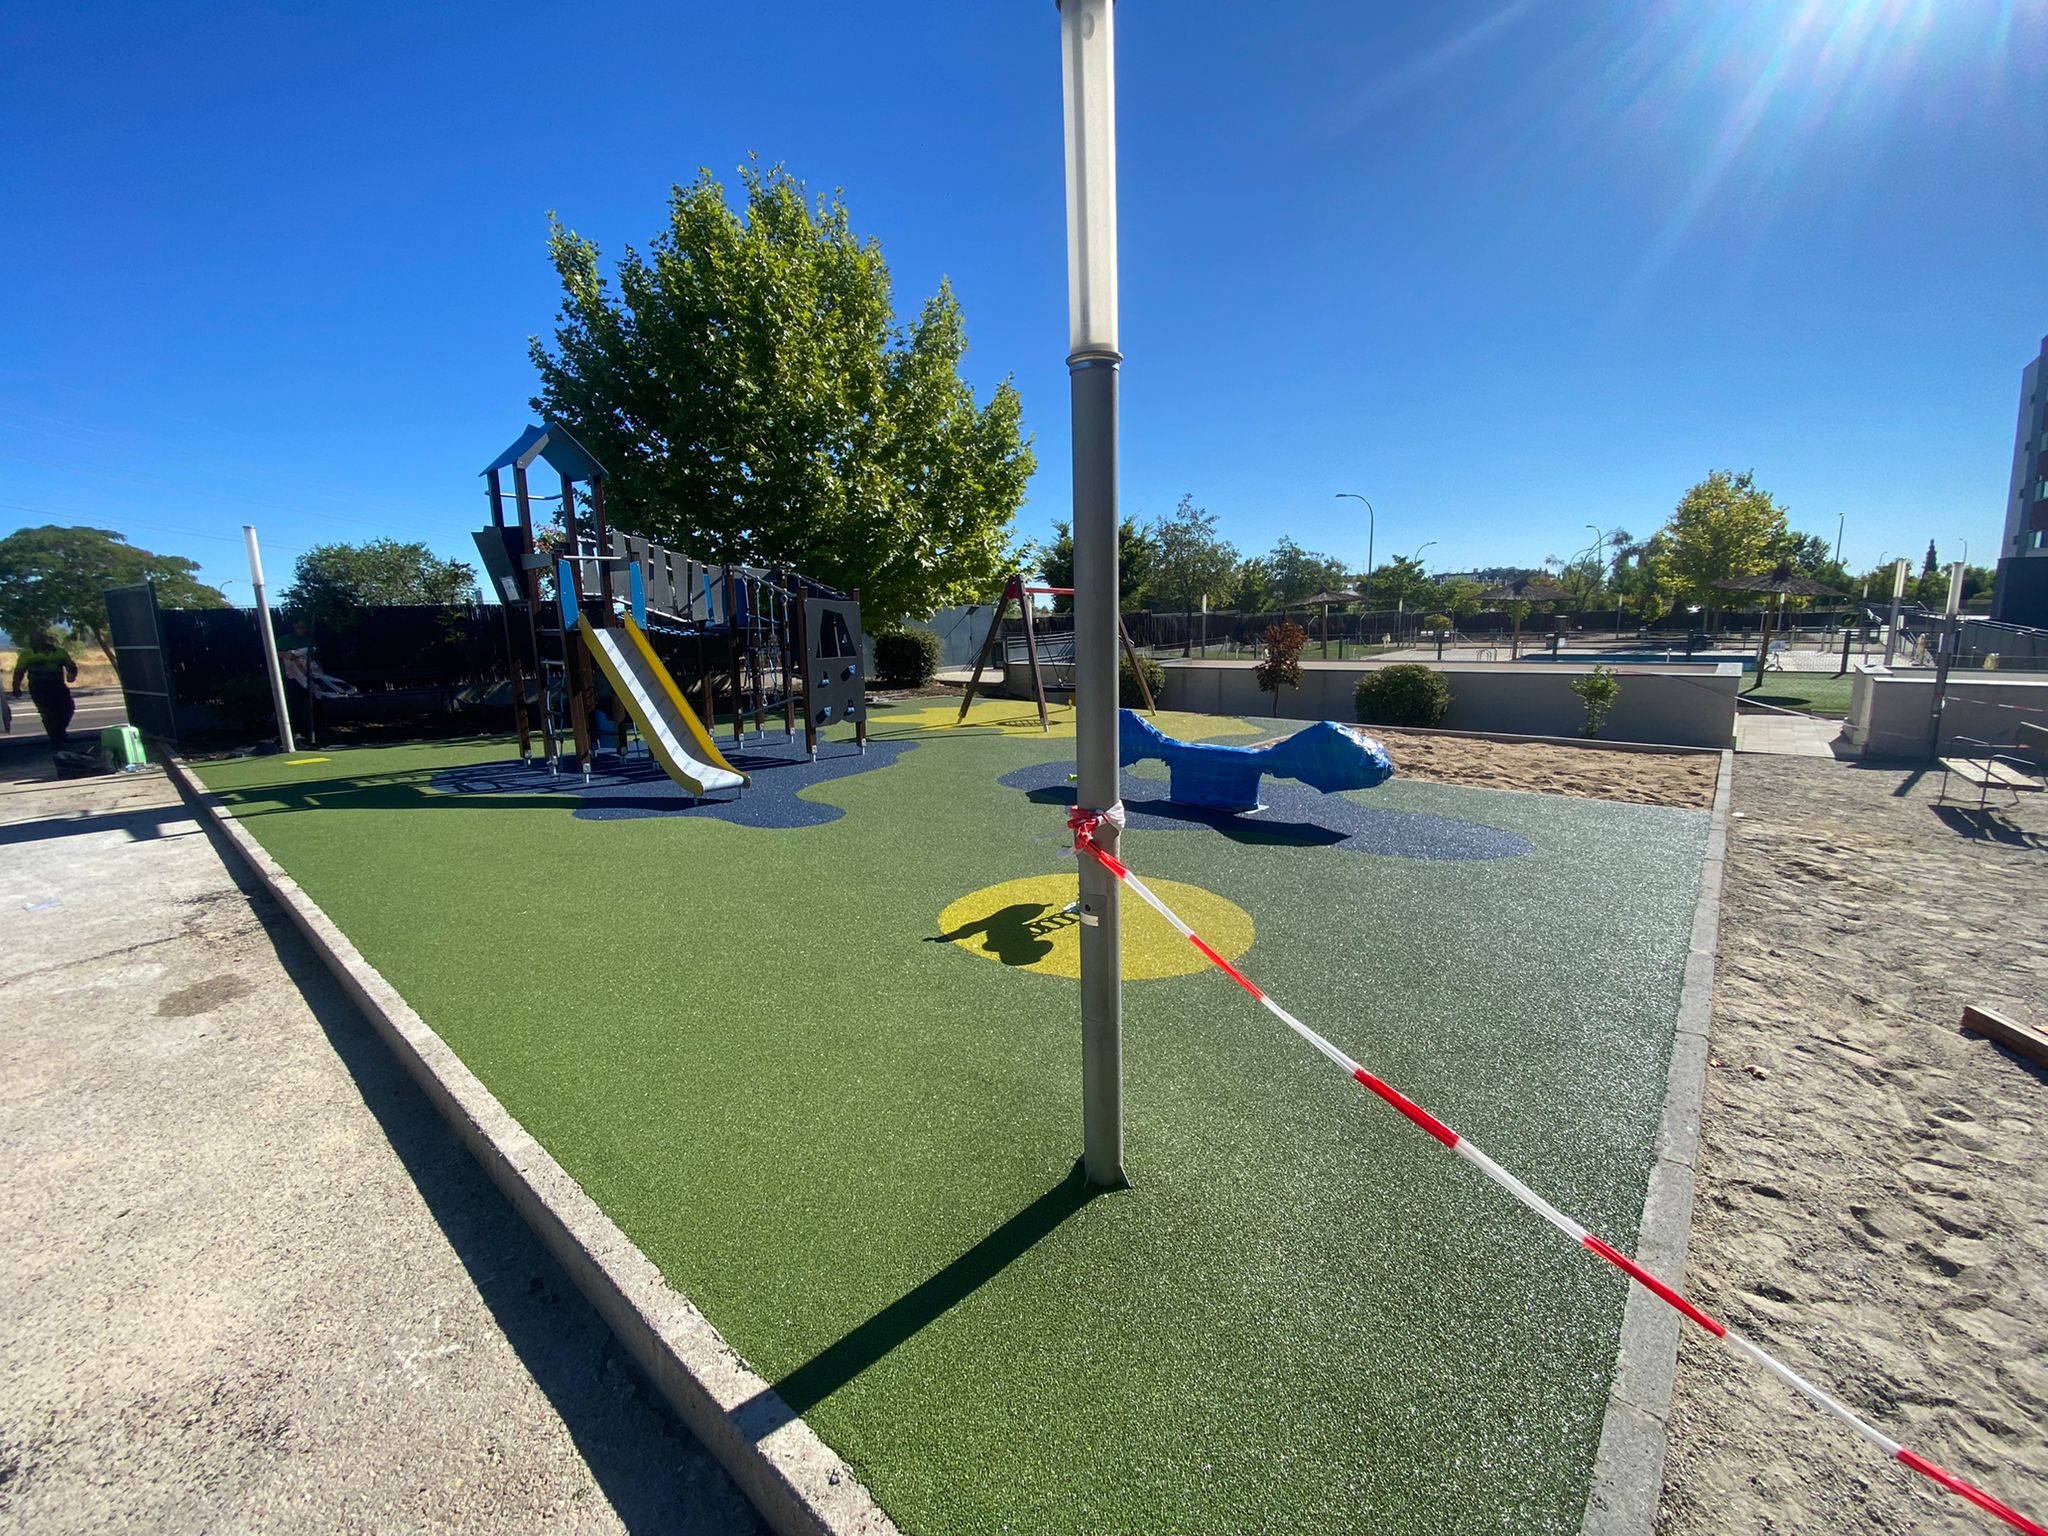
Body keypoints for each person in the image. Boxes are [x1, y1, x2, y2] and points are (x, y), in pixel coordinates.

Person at [11, 629, 80, 745]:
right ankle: (56, 737)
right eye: (35, 640)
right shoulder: (27, 655)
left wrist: (71, 674)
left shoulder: (59, 652)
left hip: (57, 685)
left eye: (40, 639)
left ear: (45, 639)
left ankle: (59, 731)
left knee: (67, 708)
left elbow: (71, 666)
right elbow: (19, 671)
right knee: (48, 712)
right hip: (39, 687)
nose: (38, 642)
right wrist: (16, 686)